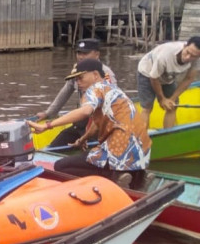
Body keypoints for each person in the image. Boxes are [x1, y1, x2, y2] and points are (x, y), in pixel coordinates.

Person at [28, 59, 151, 189]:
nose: (78, 83)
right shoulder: (114, 90)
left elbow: (85, 111)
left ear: (95, 75)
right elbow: (97, 124)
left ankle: (113, 178)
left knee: (60, 166)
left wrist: (47, 125)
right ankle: (138, 177)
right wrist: (82, 139)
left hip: (119, 151)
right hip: (143, 151)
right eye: (76, 79)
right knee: (95, 155)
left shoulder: (94, 89)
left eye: (81, 78)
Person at [37, 39, 116, 148]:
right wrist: (49, 113)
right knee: (53, 148)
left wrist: (49, 125)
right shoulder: (77, 70)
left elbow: (110, 105)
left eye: (85, 53)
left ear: (97, 54)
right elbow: (65, 91)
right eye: (79, 53)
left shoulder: (105, 74)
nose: (81, 57)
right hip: (81, 123)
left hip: (100, 124)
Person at [136, 36, 200, 129]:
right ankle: (142, 138)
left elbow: (188, 79)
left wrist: (172, 99)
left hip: (168, 77)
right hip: (147, 71)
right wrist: (161, 98)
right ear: (185, 46)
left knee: (172, 106)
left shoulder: (197, 60)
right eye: (187, 52)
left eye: (193, 56)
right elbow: (154, 77)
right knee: (147, 107)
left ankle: (168, 134)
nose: (188, 57)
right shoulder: (165, 55)